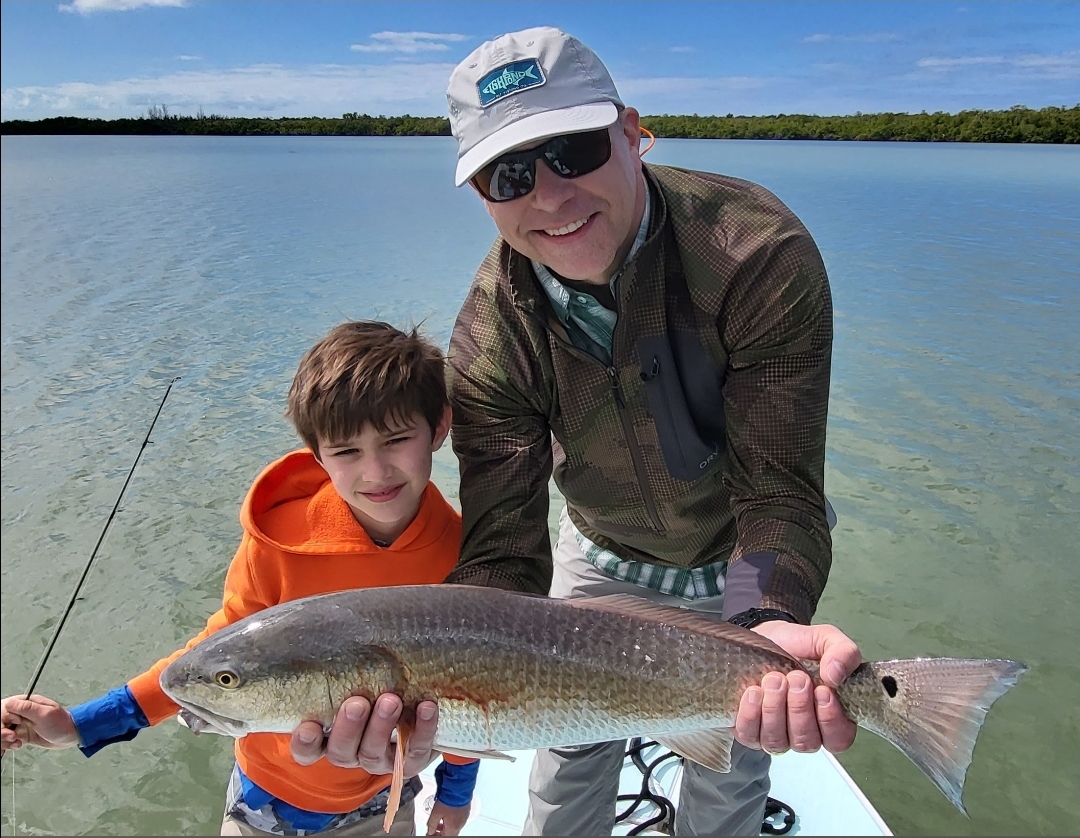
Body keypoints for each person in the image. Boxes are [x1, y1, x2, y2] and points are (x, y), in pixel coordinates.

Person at [291, 26, 863, 837]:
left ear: (631, 133)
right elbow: (504, 552)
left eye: (574, 150)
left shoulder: (755, 254)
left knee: (731, 771)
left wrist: (762, 621)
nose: (550, 196)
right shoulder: (491, 337)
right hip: (600, 557)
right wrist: (434, 705)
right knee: (563, 781)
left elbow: (776, 491)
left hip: (742, 552)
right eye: (509, 174)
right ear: (481, 194)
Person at [1, 321, 477, 837]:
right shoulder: (278, 544)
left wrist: (455, 797)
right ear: (316, 452)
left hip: (383, 800)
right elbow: (208, 662)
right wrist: (81, 724)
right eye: (346, 452)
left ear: (439, 426)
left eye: (397, 440)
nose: (376, 471)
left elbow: (479, 693)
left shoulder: (468, 556)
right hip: (263, 802)